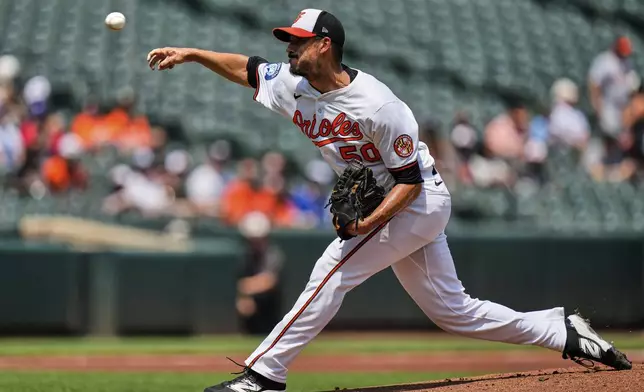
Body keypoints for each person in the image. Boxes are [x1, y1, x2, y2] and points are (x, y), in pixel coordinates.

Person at [147, 9, 632, 392]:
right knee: (452, 311)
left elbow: (409, 182)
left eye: (297, 40)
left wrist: (365, 226)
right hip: (394, 201)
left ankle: (263, 376)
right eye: (288, 40)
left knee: (332, 271)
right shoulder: (291, 83)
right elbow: (248, 69)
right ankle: (560, 331)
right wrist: (192, 53)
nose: (289, 48)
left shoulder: (379, 104)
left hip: (418, 201)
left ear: (324, 45)